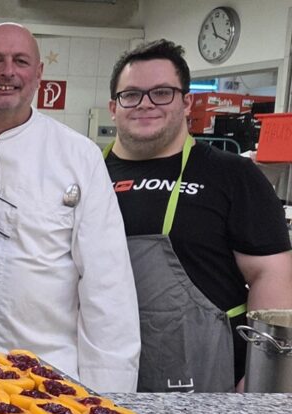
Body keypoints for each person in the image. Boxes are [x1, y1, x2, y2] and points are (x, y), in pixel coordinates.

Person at [0, 23, 140, 392]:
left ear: (39, 74)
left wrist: (109, 396)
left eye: (20, 61)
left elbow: (107, 287)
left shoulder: (79, 157)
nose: (7, 72)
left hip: (50, 378)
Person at [105, 39, 292, 392]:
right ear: (114, 107)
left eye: (162, 92)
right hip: (101, 370)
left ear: (187, 102)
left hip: (206, 374)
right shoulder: (85, 173)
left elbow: (272, 275)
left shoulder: (232, 175)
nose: (145, 104)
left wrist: (257, 379)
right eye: (131, 95)